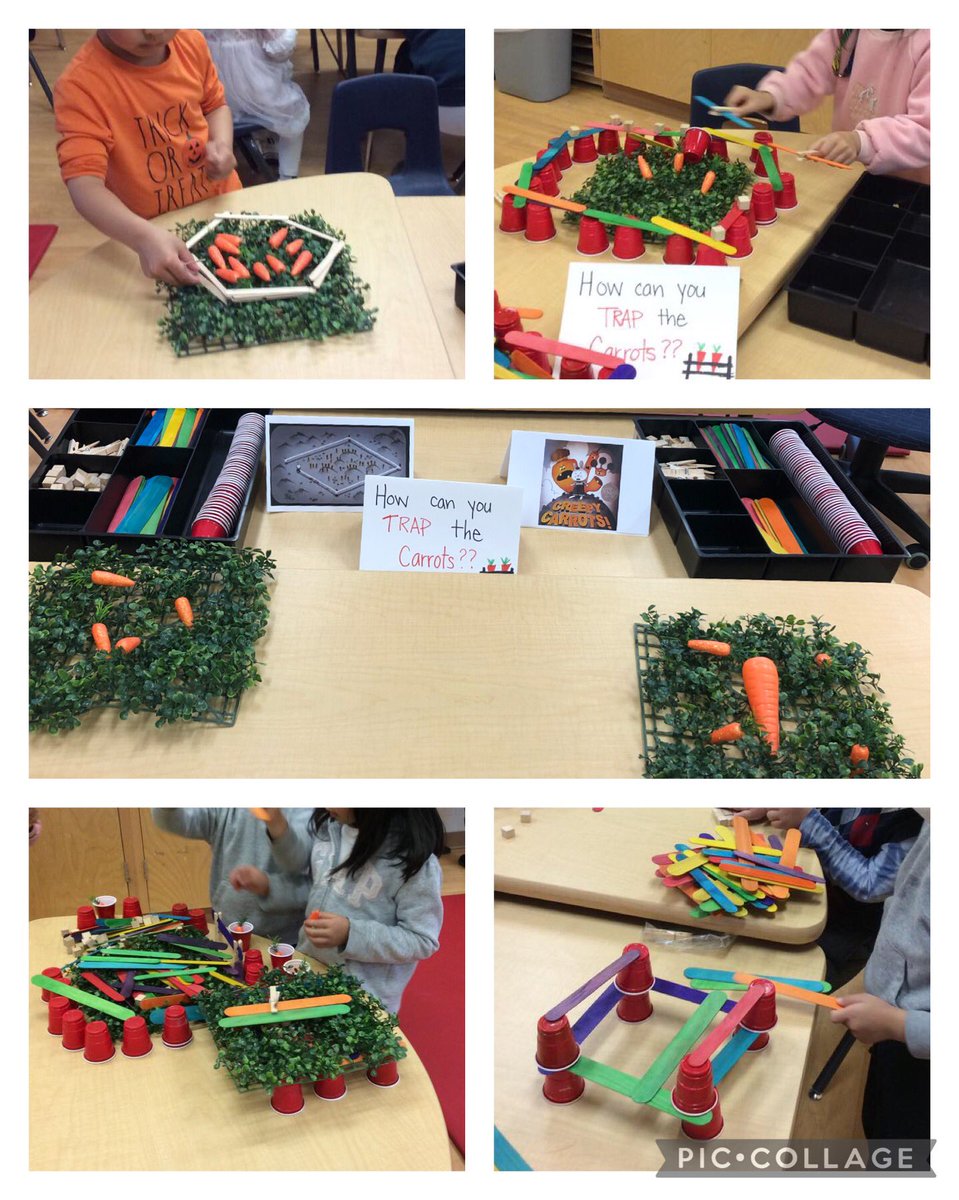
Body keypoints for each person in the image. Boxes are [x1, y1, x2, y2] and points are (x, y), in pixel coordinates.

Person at [53, 29, 242, 285]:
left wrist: (222, 144)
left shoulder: (191, 43)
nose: (154, 29)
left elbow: (215, 106)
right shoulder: (80, 86)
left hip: (222, 207)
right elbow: (84, 186)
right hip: (156, 239)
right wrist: (142, 238)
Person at [237, 808, 444, 1014]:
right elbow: (317, 888)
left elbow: (421, 939)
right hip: (310, 973)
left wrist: (350, 933)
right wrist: (269, 886)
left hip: (362, 998)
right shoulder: (330, 828)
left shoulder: (414, 863)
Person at [735, 808, 922, 986]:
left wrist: (809, 822)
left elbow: (870, 886)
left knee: (784, 979)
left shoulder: (918, 824)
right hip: (803, 885)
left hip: (846, 927)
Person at [831, 811, 929, 1139]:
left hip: (920, 1048)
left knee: (906, 1148)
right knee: (877, 1123)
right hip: (894, 1027)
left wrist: (899, 1025)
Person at [723, 30, 930, 181]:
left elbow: (927, 130)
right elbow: (811, 72)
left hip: (910, 188)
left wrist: (861, 142)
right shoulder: (849, 29)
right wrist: (771, 96)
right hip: (849, 175)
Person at [151, 808, 311, 945]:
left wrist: (276, 822)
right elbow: (177, 822)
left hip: (284, 938)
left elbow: (298, 861)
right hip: (228, 926)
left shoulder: (303, 808)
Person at [201, 30, 310, 179]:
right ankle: (288, 176)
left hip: (215, 95)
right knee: (296, 114)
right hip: (256, 91)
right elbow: (282, 50)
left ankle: (264, 143)